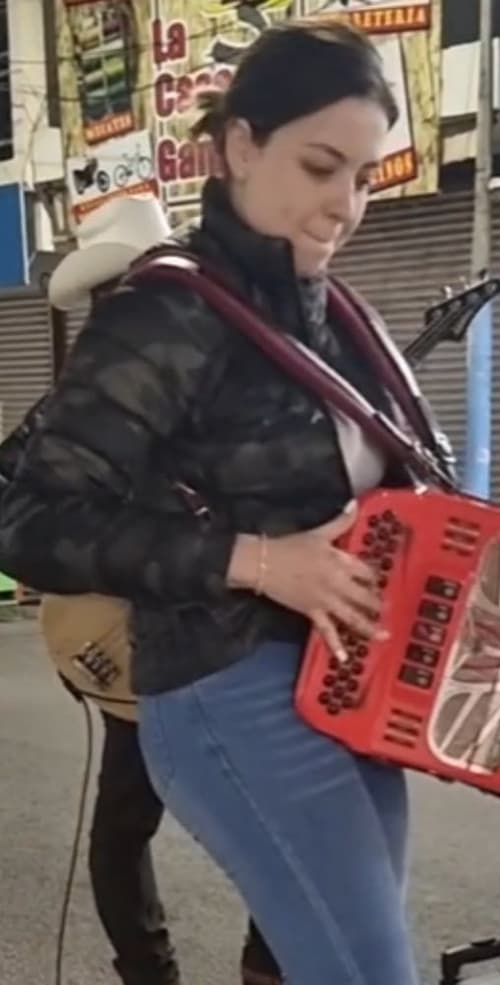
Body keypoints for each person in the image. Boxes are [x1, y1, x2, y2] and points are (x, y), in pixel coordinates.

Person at [0, 22, 445, 985]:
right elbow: (27, 522)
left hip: (353, 688)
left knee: (323, 963)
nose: (346, 204)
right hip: (226, 688)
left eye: (366, 177)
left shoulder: (338, 316)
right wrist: (256, 559)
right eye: (321, 165)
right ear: (240, 144)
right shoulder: (166, 314)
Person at [0, 194, 282, 985]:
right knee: (132, 830)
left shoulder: (237, 362)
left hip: (234, 632)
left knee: (268, 825)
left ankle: (263, 970)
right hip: (143, 640)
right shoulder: (90, 393)